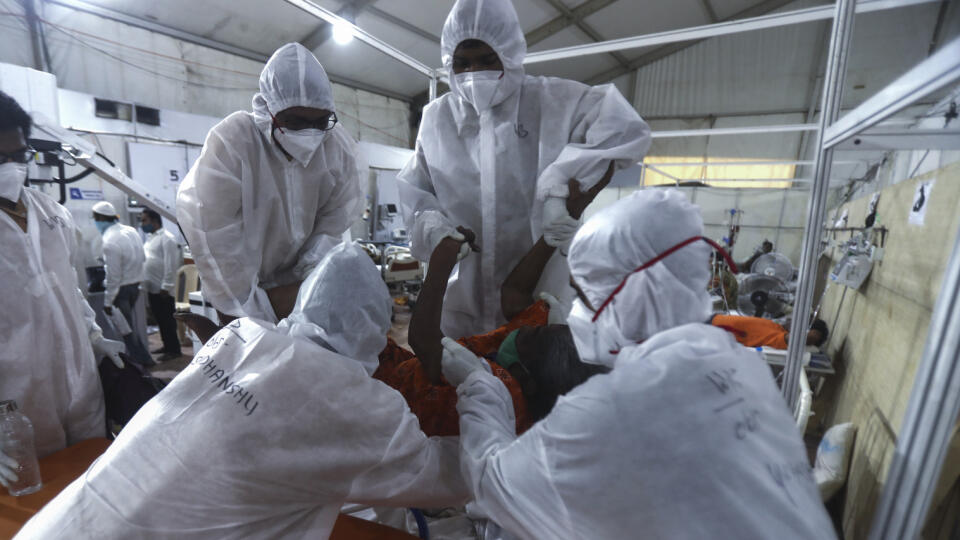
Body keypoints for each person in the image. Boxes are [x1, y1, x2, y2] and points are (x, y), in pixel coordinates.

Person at [440, 190, 837, 539]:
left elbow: (495, 485)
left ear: (635, 294)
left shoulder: (614, 408)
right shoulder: (735, 360)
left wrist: (480, 389)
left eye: (584, 295)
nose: (578, 312)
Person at [15, 243, 469, 539]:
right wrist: (481, 387)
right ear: (376, 332)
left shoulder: (239, 339)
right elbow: (449, 478)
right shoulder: (356, 401)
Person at [398, 0, 651, 339]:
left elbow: (625, 129)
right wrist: (436, 230)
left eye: (488, 61)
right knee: (466, 384)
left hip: (538, 303)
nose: (474, 74)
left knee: (533, 381)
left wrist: (558, 191)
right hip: (460, 309)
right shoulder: (437, 119)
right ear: (447, 63)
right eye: (462, 64)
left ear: (510, 52)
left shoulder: (554, 101)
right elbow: (417, 193)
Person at [177, 42, 360, 325]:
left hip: (300, 292)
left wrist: (309, 282)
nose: (310, 134)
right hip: (243, 291)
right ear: (269, 109)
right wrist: (251, 311)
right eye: (296, 122)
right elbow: (214, 235)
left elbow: (333, 224)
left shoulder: (336, 147)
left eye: (320, 121)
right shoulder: (235, 142)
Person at [0, 91, 122, 469]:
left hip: (81, 382)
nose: (11, 168)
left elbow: (68, 286)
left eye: (19, 156)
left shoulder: (52, 213)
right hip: (16, 402)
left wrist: (94, 336)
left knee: (90, 478)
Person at [93, 200, 152, 366]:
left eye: (95, 219)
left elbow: (113, 276)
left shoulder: (110, 240)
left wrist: (107, 301)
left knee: (126, 331)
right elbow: (142, 257)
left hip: (120, 291)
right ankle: (142, 359)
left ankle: (141, 364)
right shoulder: (131, 231)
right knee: (130, 327)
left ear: (99, 218)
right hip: (135, 286)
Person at [140, 208, 182, 362]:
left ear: (154, 220)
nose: (142, 223)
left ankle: (174, 350)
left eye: (144, 220)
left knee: (167, 321)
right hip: (152, 287)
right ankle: (167, 345)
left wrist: (167, 285)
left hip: (163, 289)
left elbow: (171, 264)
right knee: (160, 320)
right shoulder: (151, 238)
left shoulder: (167, 238)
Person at [711, 314, 829, 349]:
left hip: (712, 328)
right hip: (712, 322)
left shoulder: (778, 337)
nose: (794, 318)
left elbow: (807, 338)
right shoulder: (776, 327)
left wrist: (813, 335)